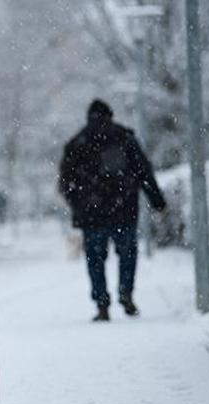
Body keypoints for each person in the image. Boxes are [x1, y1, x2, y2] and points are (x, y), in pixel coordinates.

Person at [59, 99, 166, 322]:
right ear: (110, 114)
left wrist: (79, 203)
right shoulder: (125, 138)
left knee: (95, 260)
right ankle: (126, 293)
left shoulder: (78, 142)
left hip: (92, 214)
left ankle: (101, 304)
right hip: (123, 209)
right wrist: (157, 200)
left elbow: (66, 182)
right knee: (127, 255)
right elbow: (143, 171)